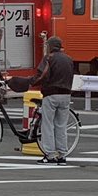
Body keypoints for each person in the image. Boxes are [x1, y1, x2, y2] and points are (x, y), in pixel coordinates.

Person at [30, 34, 77, 165]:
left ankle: (50, 155)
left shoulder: (49, 58)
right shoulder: (69, 59)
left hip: (51, 94)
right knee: (61, 126)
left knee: (48, 125)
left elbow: (42, 75)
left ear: (50, 46)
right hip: (66, 95)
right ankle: (62, 155)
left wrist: (32, 82)